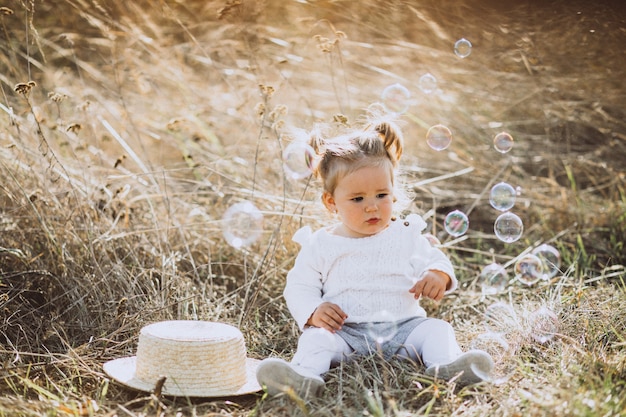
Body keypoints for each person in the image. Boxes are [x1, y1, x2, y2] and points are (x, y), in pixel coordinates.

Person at [256, 114, 493, 399]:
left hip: (405, 330)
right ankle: (304, 376)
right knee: (315, 339)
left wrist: (437, 274)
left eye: (382, 195)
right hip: (345, 335)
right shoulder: (321, 244)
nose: (372, 207)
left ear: (393, 194)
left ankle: (446, 367)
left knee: (437, 329)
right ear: (332, 203)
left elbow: (435, 258)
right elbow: (299, 285)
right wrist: (314, 311)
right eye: (357, 199)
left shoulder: (405, 234)